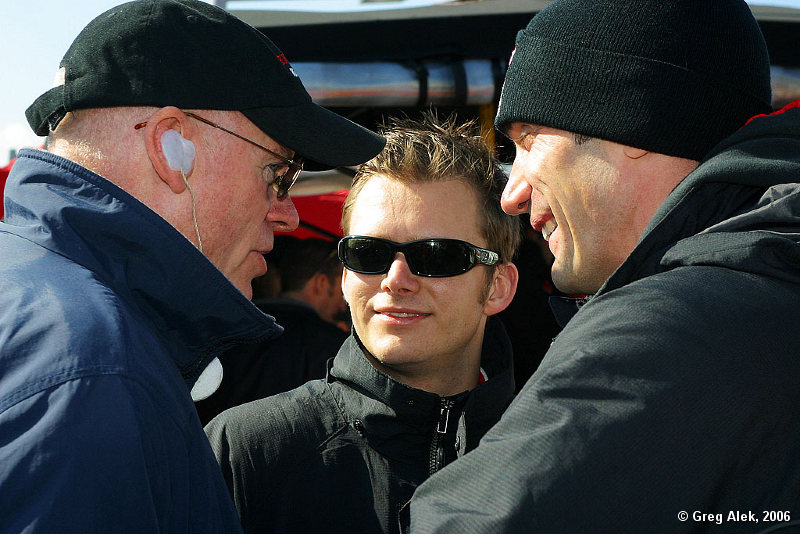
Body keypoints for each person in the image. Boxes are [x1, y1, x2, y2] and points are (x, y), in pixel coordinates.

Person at [409, 1, 800, 532]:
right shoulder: (771, 284)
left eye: (528, 141)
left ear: (633, 123)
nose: (512, 194)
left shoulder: (671, 329)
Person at [0, 1, 383, 532]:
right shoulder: (97, 371)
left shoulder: (38, 300)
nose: (289, 213)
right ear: (170, 146)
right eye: (278, 173)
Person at [204, 114, 520, 534]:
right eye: (369, 253)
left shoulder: (556, 453)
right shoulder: (248, 450)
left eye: (436, 256)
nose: (396, 280)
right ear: (344, 274)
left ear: (498, 286)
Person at [195, 237, 348, 425]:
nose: (343, 304)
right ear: (322, 283)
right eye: (341, 290)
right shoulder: (335, 346)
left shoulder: (223, 329)